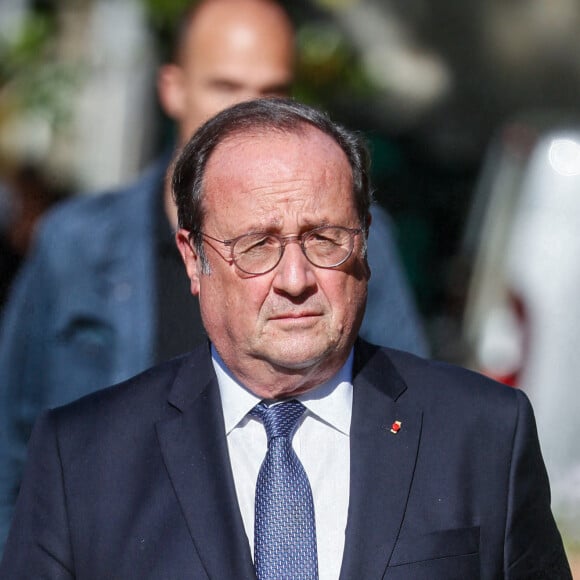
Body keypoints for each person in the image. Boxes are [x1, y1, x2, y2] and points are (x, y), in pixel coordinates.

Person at [0, 98, 570, 579]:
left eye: (324, 239)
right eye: (257, 246)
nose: (295, 280)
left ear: (366, 242)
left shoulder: (483, 434)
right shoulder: (85, 459)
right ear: (193, 260)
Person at [0, 0, 427, 554]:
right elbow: (12, 447)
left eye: (271, 92)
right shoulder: (77, 245)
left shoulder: (354, 243)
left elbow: (411, 422)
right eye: (225, 86)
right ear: (172, 88)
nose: (248, 113)